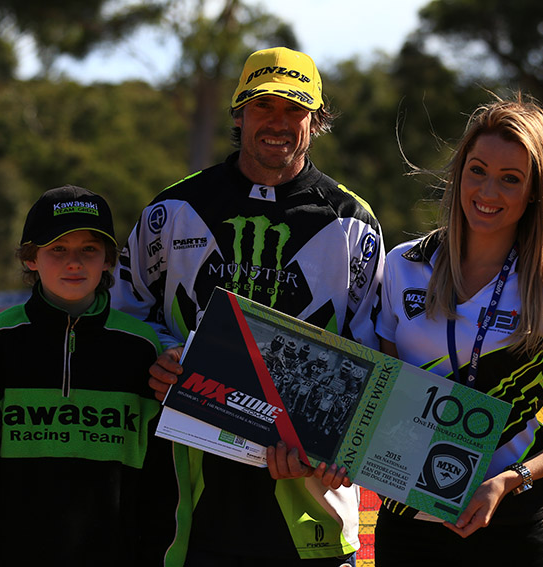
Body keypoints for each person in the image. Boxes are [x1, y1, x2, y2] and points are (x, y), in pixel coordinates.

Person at [112, 47, 385, 566]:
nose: (278, 122)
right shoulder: (173, 211)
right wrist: (158, 357)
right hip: (187, 500)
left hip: (311, 505)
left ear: (316, 120)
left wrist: (328, 441)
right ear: (239, 113)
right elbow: (125, 316)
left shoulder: (352, 223)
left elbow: (372, 356)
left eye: (295, 109)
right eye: (264, 106)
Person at [374, 96, 543, 565]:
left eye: (510, 179)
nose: (488, 191)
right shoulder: (402, 266)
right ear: (459, 173)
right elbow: (382, 391)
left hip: (512, 527)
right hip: (407, 526)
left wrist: (511, 480)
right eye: (477, 170)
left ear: (535, 192)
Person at [0, 185, 190, 566]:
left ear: (108, 260)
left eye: (89, 249)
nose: (74, 262)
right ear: (31, 258)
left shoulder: (142, 350)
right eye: (57, 249)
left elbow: (166, 486)